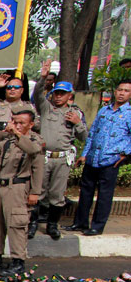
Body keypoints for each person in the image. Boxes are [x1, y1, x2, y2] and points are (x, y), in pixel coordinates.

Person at [0, 110, 45, 275]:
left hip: (18, 188)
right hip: (1, 187)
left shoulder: (34, 140)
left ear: (30, 124)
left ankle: (18, 260)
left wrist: (35, 192)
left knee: (17, 224)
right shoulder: (9, 142)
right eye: (14, 122)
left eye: (21, 123)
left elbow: (35, 158)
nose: (16, 125)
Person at [67, 78, 131, 236]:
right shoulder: (104, 110)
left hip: (110, 160)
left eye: (126, 91)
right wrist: (84, 154)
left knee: (104, 195)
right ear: (115, 91)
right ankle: (80, 222)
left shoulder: (129, 114)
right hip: (93, 158)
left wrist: (125, 154)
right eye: (120, 90)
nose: (122, 93)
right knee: (86, 192)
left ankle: (97, 226)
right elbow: (92, 133)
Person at [0, 73, 37, 227]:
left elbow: (35, 127)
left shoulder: (28, 107)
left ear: (22, 90)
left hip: (15, 150)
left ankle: (17, 216)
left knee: (10, 182)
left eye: (16, 87)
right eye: (9, 87)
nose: (11, 89)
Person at [34, 81, 86, 240]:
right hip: (44, 156)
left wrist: (78, 124)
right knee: (38, 192)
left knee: (57, 194)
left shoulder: (74, 114)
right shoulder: (46, 108)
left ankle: (52, 225)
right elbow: (37, 95)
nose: (58, 96)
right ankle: (32, 224)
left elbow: (84, 137)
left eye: (62, 93)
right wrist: (42, 79)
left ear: (70, 95)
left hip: (62, 159)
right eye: (56, 93)